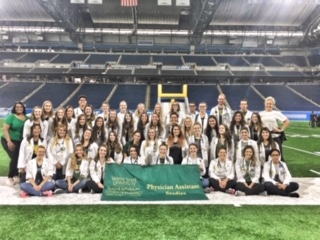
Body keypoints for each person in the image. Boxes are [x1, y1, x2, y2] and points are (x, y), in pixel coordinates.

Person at [1, 101, 28, 185]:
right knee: (14, 157)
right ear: (14, 108)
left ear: (23, 108)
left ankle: (16, 175)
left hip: (20, 141)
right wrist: (9, 141)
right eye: (17, 107)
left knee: (18, 158)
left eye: (20, 107)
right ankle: (10, 177)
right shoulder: (11, 117)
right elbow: (5, 129)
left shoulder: (27, 118)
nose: (19, 108)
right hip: (8, 140)